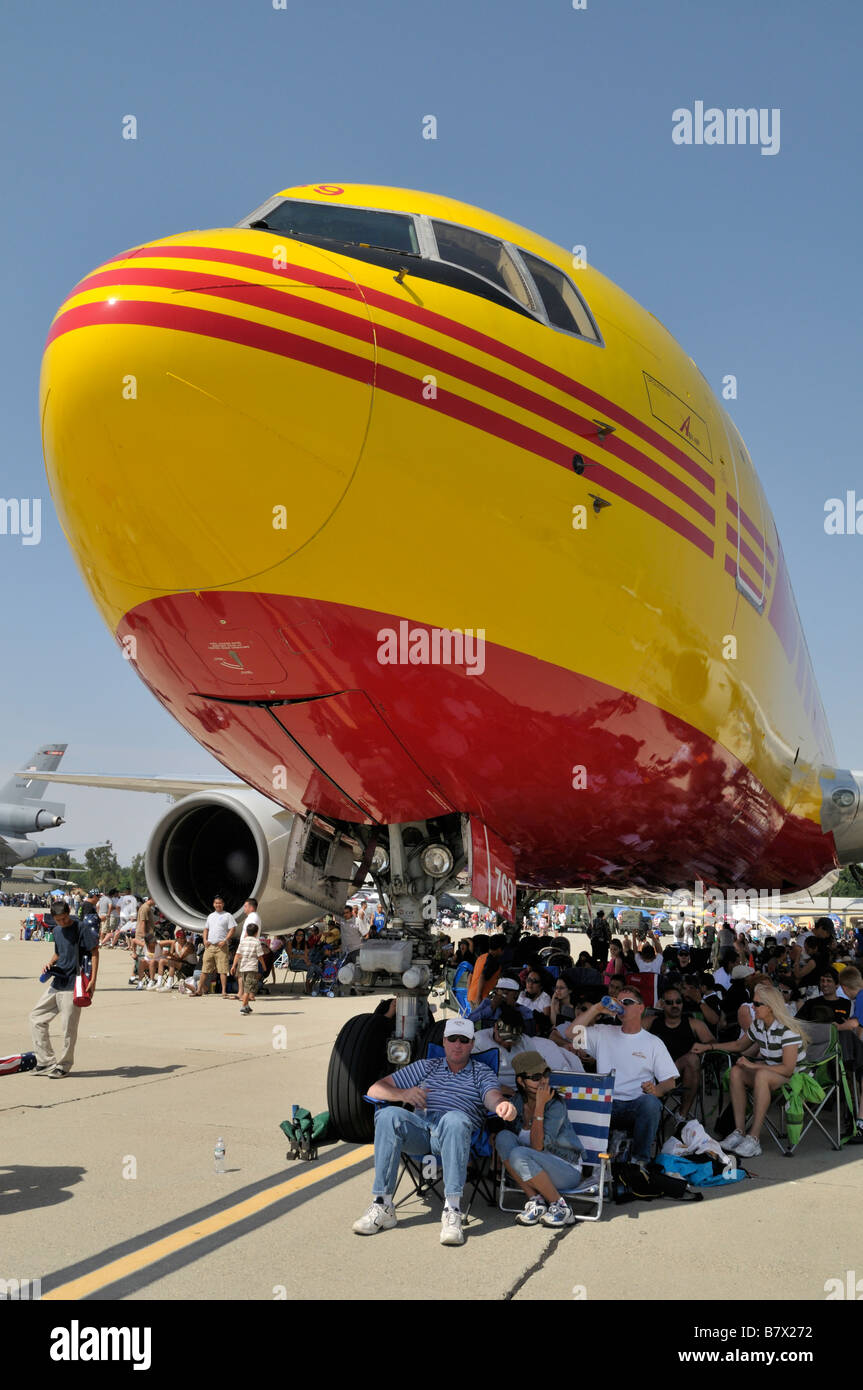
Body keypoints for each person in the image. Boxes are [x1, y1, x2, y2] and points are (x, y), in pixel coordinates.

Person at [352, 1017, 516, 1246]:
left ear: (471, 1044)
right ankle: (383, 1205)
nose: (457, 1044)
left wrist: (500, 1105)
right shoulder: (426, 1066)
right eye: (452, 1039)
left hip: (455, 1135)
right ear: (444, 1041)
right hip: (422, 1132)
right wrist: (403, 1095)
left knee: (455, 1118)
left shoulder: (482, 1072)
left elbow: (492, 1096)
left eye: (463, 1040)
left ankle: (452, 1211)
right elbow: (375, 1089)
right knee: (388, 1115)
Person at [692, 982, 810, 1157]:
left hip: (795, 1075)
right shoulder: (759, 1024)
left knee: (761, 1074)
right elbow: (739, 1044)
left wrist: (754, 1065)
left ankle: (754, 1138)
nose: (752, 1007)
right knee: (736, 1072)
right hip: (770, 1070)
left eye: (756, 1004)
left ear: (770, 1007)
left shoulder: (787, 1030)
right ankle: (739, 1131)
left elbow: (787, 1069)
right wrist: (708, 1047)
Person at [576, 990, 679, 1161]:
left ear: (641, 1008)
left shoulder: (653, 1042)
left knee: (651, 1103)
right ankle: (588, 1163)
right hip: (605, 1103)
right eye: (619, 1001)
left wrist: (655, 1090)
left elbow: (669, 1082)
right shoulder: (604, 1032)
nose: (621, 1005)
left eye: (627, 1001)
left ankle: (639, 1162)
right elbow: (570, 1034)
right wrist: (597, 1008)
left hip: (635, 1103)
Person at [495, 1052, 586, 1227]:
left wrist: (539, 1107)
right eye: (536, 1077)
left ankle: (562, 1208)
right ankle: (536, 1202)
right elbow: (510, 1144)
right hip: (535, 1167)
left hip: (566, 1169)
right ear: (521, 1081)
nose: (544, 1081)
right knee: (503, 1138)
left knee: (519, 1153)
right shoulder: (518, 1102)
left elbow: (537, 1146)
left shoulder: (555, 1105)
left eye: (545, 1074)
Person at [29, 900, 100, 1077]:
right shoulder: (56, 930)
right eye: (58, 920)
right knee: (36, 1017)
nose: (62, 922)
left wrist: (93, 980)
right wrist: (50, 963)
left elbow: (94, 951)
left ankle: (64, 1065)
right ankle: (45, 1061)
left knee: (68, 1027)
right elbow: (58, 953)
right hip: (57, 981)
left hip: (73, 983)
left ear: (69, 913)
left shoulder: (80, 927)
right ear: (53, 918)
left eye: (64, 918)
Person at [645, 987, 714, 1120]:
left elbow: (712, 1041)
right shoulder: (651, 1021)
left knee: (692, 1060)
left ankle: (681, 1115)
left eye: (678, 1001)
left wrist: (704, 1046)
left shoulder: (693, 1023)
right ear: (662, 1004)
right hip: (651, 1072)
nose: (675, 1005)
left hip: (679, 1073)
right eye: (670, 1002)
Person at [474, 1005, 582, 1089]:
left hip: (523, 1089)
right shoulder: (479, 1041)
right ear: (495, 1028)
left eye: (511, 1040)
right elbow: (474, 1076)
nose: (506, 1043)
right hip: (492, 1090)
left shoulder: (525, 1041)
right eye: (502, 1038)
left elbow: (537, 1068)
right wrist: (499, 1088)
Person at [192, 895, 236, 997]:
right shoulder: (210, 916)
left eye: (220, 903)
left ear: (223, 904)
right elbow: (206, 929)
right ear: (213, 904)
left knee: (223, 970)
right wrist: (204, 940)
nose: (218, 905)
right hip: (210, 946)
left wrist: (225, 941)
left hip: (221, 946)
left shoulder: (228, 915)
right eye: (216, 903)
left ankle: (224, 991)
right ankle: (199, 990)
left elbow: (232, 929)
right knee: (205, 969)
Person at [231, 921, 265, 1014]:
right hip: (252, 968)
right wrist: (264, 966)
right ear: (256, 932)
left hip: (243, 967)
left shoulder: (243, 942)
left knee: (247, 985)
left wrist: (233, 966)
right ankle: (243, 1007)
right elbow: (260, 956)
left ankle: (247, 1005)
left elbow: (237, 955)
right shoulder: (257, 942)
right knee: (248, 989)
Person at [132, 895, 158, 989]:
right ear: (152, 899)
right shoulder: (145, 908)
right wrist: (144, 937)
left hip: (147, 937)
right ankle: (140, 979)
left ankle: (147, 977)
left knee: (146, 959)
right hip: (144, 937)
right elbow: (143, 923)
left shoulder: (147, 908)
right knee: (142, 960)